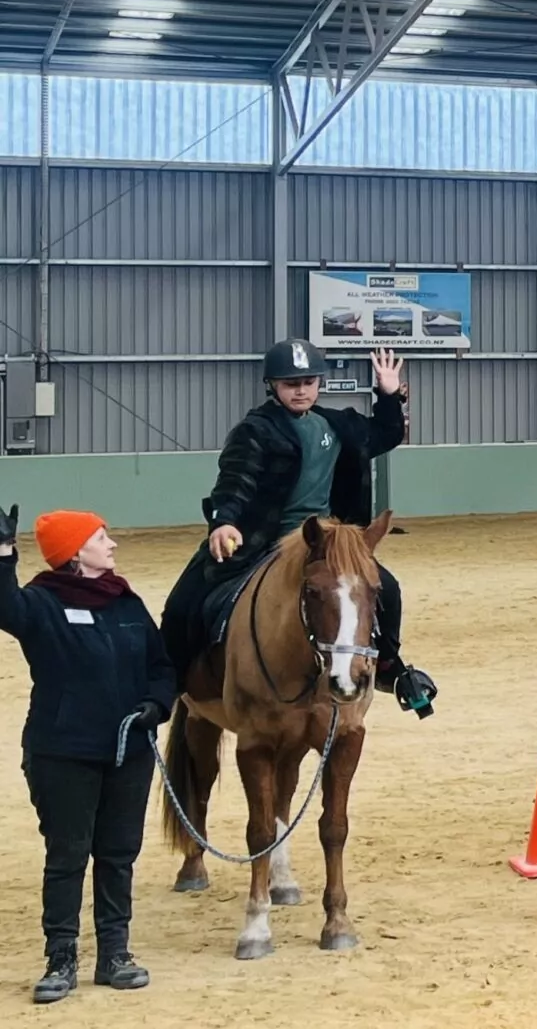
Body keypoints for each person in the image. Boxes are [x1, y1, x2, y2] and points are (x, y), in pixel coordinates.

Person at [160, 341, 435, 718]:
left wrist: (388, 395)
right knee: (183, 602)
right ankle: (169, 681)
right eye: (290, 383)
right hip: (261, 539)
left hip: (324, 541)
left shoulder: (337, 425)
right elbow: (235, 480)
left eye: (308, 381)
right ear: (272, 386)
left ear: (319, 383)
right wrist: (224, 520)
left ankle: (390, 668)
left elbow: (385, 435)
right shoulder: (255, 431)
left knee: (386, 587)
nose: (301, 390)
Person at [1, 508, 172, 1003]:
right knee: (68, 855)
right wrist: (2, 555)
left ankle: (115, 954)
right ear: (77, 552)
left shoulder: (126, 602)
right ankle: (61, 957)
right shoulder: (40, 604)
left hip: (128, 751)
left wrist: (155, 705)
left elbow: (160, 666)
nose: (112, 544)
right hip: (63, 753)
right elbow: (4, 607)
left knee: (119, 855)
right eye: (102, 537)